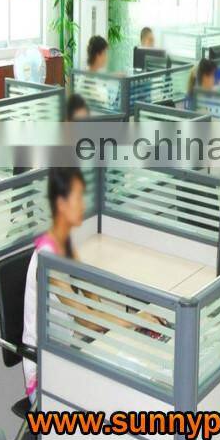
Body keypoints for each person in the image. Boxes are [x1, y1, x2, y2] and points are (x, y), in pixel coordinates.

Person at [22, 168, 160, 404]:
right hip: (45, 374)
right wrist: (134, 320)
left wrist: (127, 323)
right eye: (78, 198)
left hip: (65, 353)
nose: (84, 205)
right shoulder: (48, 258)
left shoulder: (65, 244)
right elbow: (85, 319)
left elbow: (92, 301)